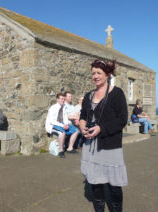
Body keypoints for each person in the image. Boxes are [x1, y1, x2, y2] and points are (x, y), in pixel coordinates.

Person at [79, 59, 128, 211]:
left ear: (107, 74)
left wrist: (101, 128)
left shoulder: (117, 93)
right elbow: (83, 115)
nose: (95, 76)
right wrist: (82, 127)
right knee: (95, 182)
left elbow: (122, 120)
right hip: (91, 145)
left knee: (114, 184)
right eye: (93, 73)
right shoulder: (88, 95)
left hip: (110, 145)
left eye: (99, 73)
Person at [45, 93, 79, 158]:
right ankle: (61, 151)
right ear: (57, 99)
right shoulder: (53, 108)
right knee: (62, 132)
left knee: (76, 130)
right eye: (61, 99)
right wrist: (62, 125)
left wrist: (66, 124)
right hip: (53, 125)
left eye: (64, 99)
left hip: (62, 124)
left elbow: (65, 117)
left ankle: (70, 148)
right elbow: (52, 121)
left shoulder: (64, 107)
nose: (63, 100)